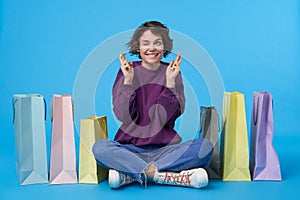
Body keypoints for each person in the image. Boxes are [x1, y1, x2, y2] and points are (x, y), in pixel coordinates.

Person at [93, 21, 213, 189]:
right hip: (130, 150)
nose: (152, 48)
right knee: (100, 148)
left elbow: (166, 118)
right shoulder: (127, 70)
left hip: (165, 151)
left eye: (157, 42)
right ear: (138, 48)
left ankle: (132, 175)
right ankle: (166, 176)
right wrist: (128, 81)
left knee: (204, 147)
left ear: (165, 46)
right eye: (146, 43)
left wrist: (170, 82)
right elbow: (123, 115)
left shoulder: (172, 72)